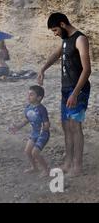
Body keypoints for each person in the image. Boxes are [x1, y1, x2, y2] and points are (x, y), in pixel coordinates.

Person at [38, 13, 91, 177]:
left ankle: (78, 166)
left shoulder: (80, 39)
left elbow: (87, 69)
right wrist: (42, 69)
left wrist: (75, 93)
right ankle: (68, 163)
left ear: (62, 24)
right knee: (66, 127)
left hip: (78, 90)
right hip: (65, 89)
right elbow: (56, 55)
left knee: (75, 127)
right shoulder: (65, 40)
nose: (54, 33)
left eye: (55, 30)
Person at [9, 85, 50, 177]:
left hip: (43, 134)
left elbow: (46, 123)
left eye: (31, 95)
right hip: (34, 133)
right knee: (27, 151)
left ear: (39, 98)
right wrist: (18, 127)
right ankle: (34, 167)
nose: (28, 96)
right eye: (28, 94)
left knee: (35, 152)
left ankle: (46, 169)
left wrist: (45, 127)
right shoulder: (28, 107)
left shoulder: (41, 109)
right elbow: (27, 119)